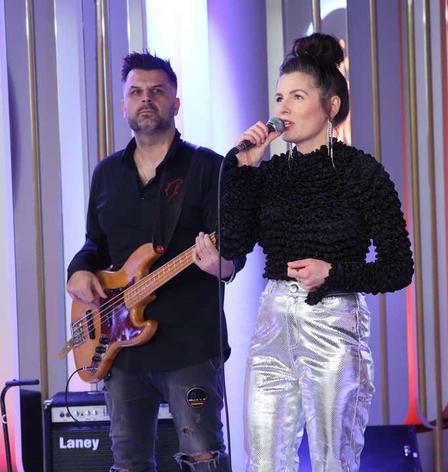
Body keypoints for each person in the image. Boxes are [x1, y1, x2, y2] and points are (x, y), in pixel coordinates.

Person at [219, 33, 414, 472]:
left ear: (331, 106)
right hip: (272, 320)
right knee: (263, 460)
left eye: (297, 96)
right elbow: (232, 246)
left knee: (332, 460)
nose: (283, 109)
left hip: (334, 320)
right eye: (279, 98)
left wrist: (333, 273)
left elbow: (398, 268)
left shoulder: (362, 172)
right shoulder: (268, 174)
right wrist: (243, 171)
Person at [66, 52, 243, 472]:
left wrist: (220, 264)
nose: (146, 99)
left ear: (175, 103)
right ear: (124, 104)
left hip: (189, 344)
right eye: (136, 92)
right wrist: (79, 269)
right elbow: (95, 242)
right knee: (128, 461)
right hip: (120, 345)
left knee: (202, 455)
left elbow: (233, 250)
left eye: (157, 91)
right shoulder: (107, 174)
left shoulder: (208, 168)